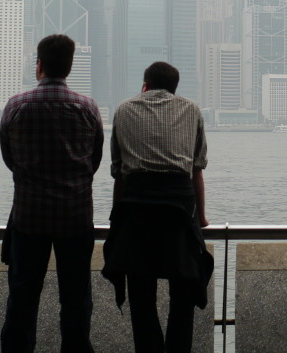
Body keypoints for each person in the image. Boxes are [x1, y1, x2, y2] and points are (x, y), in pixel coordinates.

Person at [0, 34, 104, 353]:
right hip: (75, 218)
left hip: (28, 218)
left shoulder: (16, 105)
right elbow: (95, 159)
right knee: (75, 298)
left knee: (22, 297)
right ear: (70, 67)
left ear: (39, 65)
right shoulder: (87, 107)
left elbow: (8, 158)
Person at [104, 61, 213, 353]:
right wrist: (200, 218)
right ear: (175, 89)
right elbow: (196, 170)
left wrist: (117, 222)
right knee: (183, 293)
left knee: (141, 297)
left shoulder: (124, 109)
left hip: (136, 210)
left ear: (145, 85)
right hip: (178, 210)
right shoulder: (190, 109)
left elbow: (119, 173)